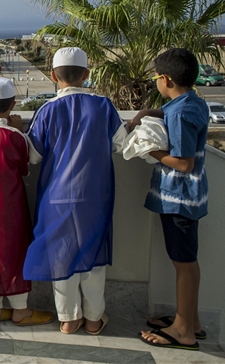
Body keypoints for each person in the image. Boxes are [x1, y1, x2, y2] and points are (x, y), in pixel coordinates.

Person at [24, 47, 126, 335]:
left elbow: (33, 156)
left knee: (61, 255)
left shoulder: (46, 110)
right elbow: (122, 144)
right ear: (87, 74)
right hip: (96, 197)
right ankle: (94, 318)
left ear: (54, 76)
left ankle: (68, 318)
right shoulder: (104, 106)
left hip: (56, 199)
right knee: (93, 254)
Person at [133, 48, 209, 352]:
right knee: (186, 261)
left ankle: (182, 331)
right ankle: (191, 320)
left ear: (164, 79)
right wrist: (149, 113)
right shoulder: (194, 103)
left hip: (178, 199)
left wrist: (149, 151)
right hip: (191, 197)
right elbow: (175, 113)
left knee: (184, 263)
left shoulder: (179, 113)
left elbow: (184, 162)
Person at [0, 78, 54, 326]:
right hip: (10, 203)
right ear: (13, 105)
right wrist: (22, 131)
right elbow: (30, 162)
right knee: (15, 250)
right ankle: (20, 309)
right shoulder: (15, 136)